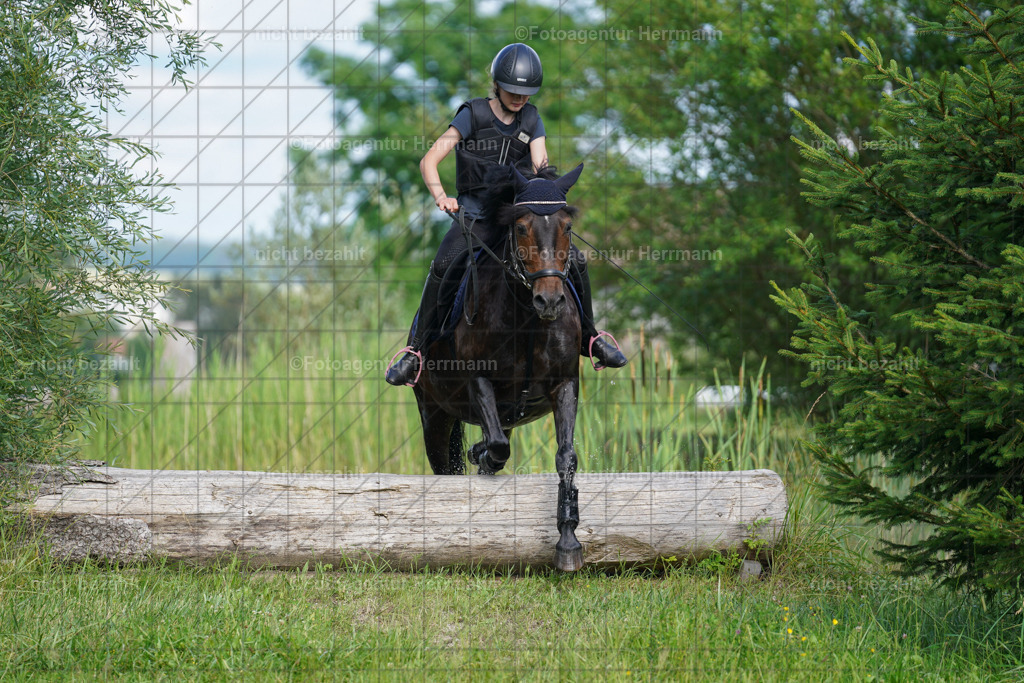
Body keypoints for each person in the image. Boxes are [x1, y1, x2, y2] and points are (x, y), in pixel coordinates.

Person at [385, 43, 626, 386]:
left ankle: (591, 337)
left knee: (576, 260)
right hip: (474, 216)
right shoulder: (473, 114)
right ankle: (416, 351)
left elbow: (541, 168)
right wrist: (441, 196)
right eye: (513, 91)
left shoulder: (532, 119)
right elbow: (429, 161)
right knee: (443, 265)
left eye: (526, 93)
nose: (520, 98)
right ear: (497, 85)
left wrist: (547, 199)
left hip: (517, 218)